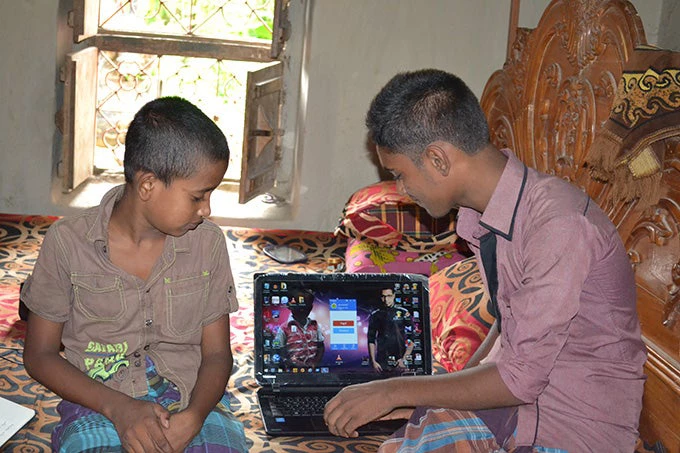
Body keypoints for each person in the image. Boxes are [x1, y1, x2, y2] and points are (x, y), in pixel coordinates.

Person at [323, 69, 647, 452]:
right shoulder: (483, 219)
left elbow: (519, 379)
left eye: (400, 175)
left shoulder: (557, 224)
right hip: (518, 410)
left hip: (572, 431)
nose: (401, 190)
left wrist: (394, 390)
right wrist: (427, 397)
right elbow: (508, 329)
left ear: (438, 159)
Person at [21, 97, 248, 453]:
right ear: (147, 186)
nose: (206, 210)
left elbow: (217, 355)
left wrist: (195, 415)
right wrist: (119, 408)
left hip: (192, 396)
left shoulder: (208, 245)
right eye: (198, 196)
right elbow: (39, 355)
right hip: (98, 398)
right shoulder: (67, 243)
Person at [367, 288, 414, 374]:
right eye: (383, 296)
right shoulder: (375, 315)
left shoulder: (403, 313)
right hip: (382, 361)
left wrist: (404, 359)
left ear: (394, 296)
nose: (386, 300)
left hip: (400, 359)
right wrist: (373, 361)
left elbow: (412, 338)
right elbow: (371, 339)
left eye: (389, 296)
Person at [274, 290, 325, 368]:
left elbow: (321, 346)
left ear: (311, 308)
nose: (302, 310)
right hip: (293, 370)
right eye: (299, 306)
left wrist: (316, 363)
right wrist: (290, 363)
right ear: (289, 306)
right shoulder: (284, 328)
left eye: (306, 307)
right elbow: (279, 350)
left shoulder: (315, 325)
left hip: (313, 371)